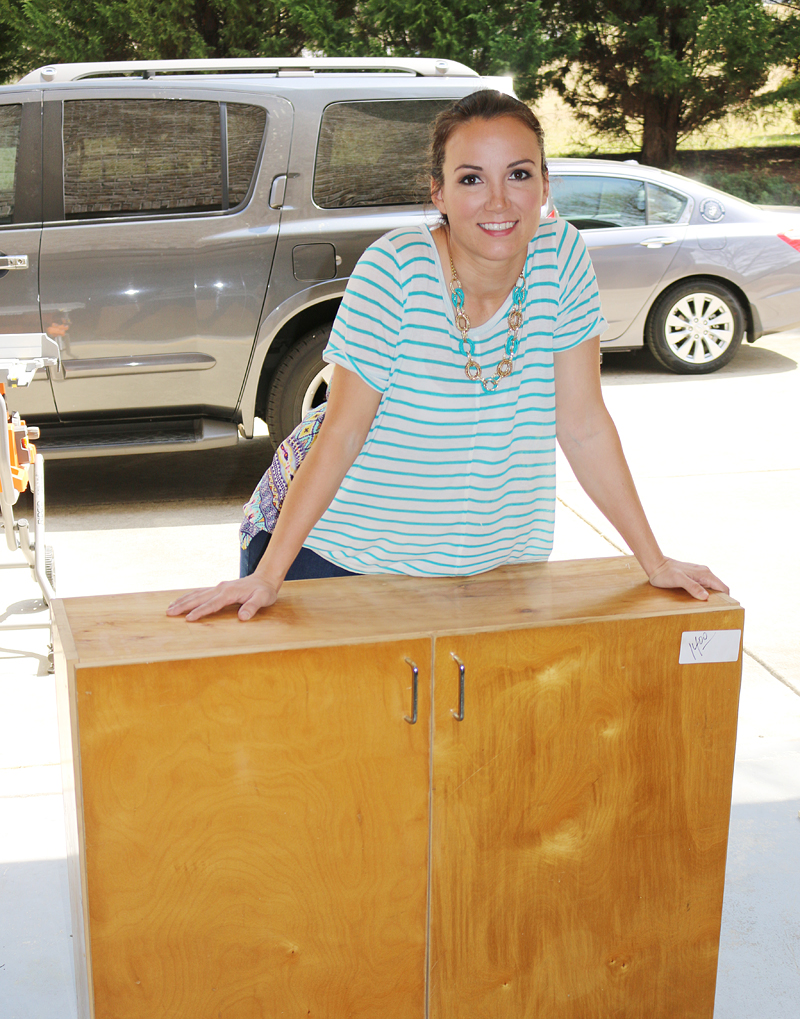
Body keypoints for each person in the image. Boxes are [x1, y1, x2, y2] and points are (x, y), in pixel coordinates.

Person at [168, 90, 726, 623]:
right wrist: (268, 577)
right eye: (471, 179)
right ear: (438, 194)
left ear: (545, 184)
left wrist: (653, 561)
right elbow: (341, 434)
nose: (499, 200)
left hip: (496, 567)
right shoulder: (397, 270)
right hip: (344, 560)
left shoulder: (563, 257)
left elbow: (584, 427)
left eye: (519, 174)